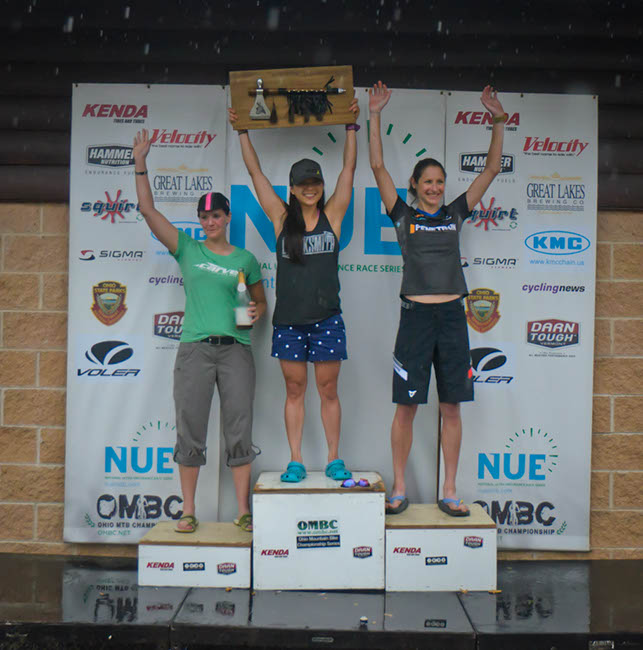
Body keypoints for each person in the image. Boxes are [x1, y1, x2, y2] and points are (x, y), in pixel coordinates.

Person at [368, 82, 506, 516]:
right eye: (427, 181)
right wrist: (374, 115)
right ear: (415, 184)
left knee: (451, 407)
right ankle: (400, 487)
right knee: (406, 408)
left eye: (440, 181)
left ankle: (449, 489)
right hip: (414, 320)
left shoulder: (455, 212)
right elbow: (376, 167)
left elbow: (491, 170)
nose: (434, 187)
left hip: (451, 318)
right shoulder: (402, 214)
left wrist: (498, 121)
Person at [133, 128, 267, 532]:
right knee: (190, 427)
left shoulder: (246, 258)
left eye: (217, 215)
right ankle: (187, 510)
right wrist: (140, 163)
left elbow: (258, 302)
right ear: (200, 220)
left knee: (239, 429)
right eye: (204, 216)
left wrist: (255, 310)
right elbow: (148, 211)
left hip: (236, 350)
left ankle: (242, 510)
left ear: (228, 218)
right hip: (194, 349)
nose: (210, 221)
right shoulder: (187, 248)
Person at [228, 97, 359, 483]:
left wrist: (352, 128)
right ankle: (297, 459)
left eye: (315, 182)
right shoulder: (280, 218)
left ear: (321, 185)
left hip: (326, 320)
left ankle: (335, 458)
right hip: (289, 323)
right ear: (292, 188)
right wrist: (242, 132)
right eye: (303, 184)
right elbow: (255, 175)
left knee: (328, 390)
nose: (310, 189)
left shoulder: (332, 215)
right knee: (295, 389)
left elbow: (349, 169)